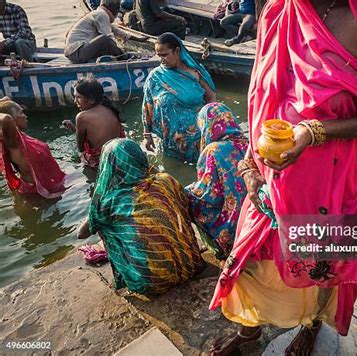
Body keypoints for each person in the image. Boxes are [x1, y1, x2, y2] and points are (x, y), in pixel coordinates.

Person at [208, 0, 357, 355]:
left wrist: (315, 131)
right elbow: (262, 97)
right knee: (253, 260)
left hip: (334, 183)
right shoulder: (277, 11)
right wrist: (249, 166)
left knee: (323, 265)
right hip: (272, 177)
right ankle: (248, 330)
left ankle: (312, 323)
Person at [77, 138, 204, 295]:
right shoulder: (166, 180)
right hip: (191, 265)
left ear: (110, 166)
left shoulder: (109, 200)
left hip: (151, 283)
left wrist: (99, 199)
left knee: (105, 226)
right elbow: (185, 204)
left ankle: (136, 274)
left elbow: (81, 234)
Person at [185, 102, 248, 261]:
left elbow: (209, 194)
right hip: (254, 218)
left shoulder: (213, 150)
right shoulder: (248, 142)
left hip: (233, 227)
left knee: (188, 198)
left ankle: (220, 248)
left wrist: (184, 191)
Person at [143, 32, 216, 163]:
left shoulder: (195, 73)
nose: (161, 60)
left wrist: (208, 125)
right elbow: (147, 106)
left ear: (177, 51)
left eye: (165, 55)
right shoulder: (155, 77)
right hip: (170, 143)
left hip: (197, 140)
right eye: (159, 55)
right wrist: (147, 135)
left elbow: (211, 99)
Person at [0, 100, 65, 198]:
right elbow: (6, 119)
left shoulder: (21, 139)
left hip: (49, 187)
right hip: (36, 195)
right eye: (21, 113)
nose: (25, 116)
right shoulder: (13, 144)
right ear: (13, 119)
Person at [62, 78, 125, 169]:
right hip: (121, 157)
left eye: (78, 97)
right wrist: (74, 128)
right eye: (75, 97)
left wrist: (75, 130)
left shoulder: (82, 117)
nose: (75, 101)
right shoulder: (110, 108)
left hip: (101, 163)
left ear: (91, 100)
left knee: (77, 159)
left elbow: (81, 148)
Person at [65, 0, 147, 64]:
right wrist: (121, 52)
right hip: (77, 52)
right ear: (114, 9)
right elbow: (109, 38)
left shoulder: (100, 14)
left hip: (77, 51)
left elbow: (119, 32)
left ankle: (123, 56)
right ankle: (124, 58)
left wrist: (140, 39)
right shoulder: (101, 14)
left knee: (106, 42)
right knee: (105, 40)